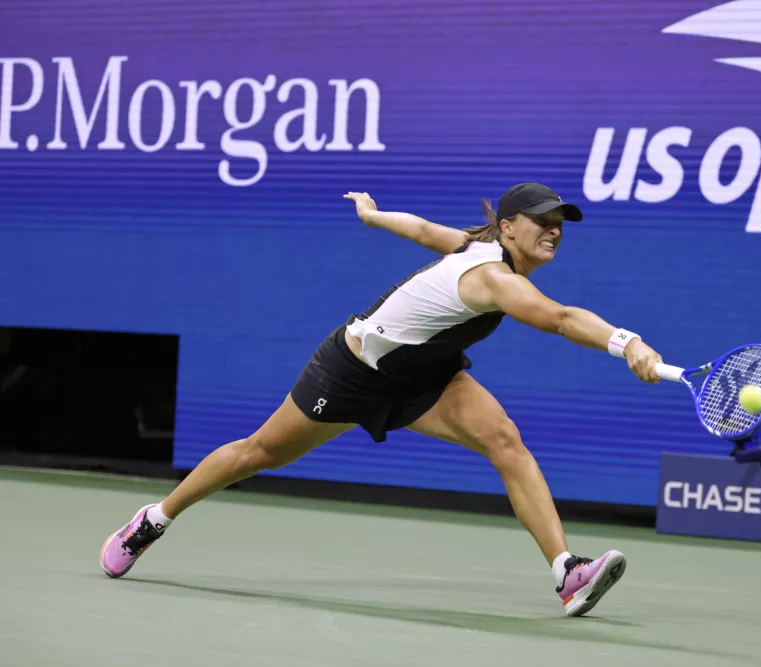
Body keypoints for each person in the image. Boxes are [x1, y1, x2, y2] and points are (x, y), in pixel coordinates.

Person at [99, 182, 665, 617]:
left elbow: (421, 229)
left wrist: (374, 216)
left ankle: (567, 572)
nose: (554, 230)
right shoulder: (493, 275)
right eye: (541, 221)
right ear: (509, 227)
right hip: (351, 373)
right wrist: (627, 342)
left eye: (560, 222)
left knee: (505, 441)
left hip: (426, 375)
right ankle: (153, 519)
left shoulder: (480, 246)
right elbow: (560, 318)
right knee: (257, 455)